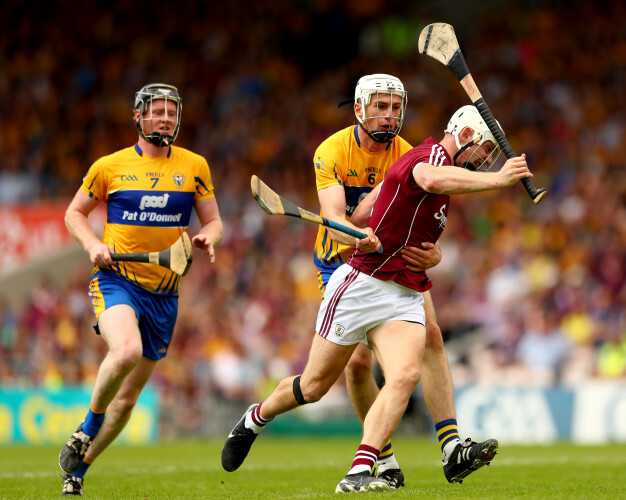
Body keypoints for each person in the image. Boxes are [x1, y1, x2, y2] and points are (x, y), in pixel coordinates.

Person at [222, 103, 532, 493]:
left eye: (491, 160)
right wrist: (499, 181)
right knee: (314, 387)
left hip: (404, 292)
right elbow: (430, 179)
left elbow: (378, 202)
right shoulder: (429, 155)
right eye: (485, 151)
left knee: (404, 374)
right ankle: (256, 417)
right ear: (466, 136)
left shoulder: (438, 174)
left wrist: (400, 237)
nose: (486, 162)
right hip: (362, 284)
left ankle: (361, 470)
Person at [311, 74, 494, 488]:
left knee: (432, 336)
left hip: (391, 260)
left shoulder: (409, 152)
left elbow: (423, 221)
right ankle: (385, 458)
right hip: (341, 259)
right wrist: (361, 235)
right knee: (354, 366)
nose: (389, 114)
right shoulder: (332, 149)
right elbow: (341, 222)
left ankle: (450, 446)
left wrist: (436, 253)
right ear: (359, 108)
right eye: (380, 106)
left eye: (395, 107)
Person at [58, 83, 224, 496]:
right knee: (127, 351)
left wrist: (209, 238)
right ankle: (86, 428)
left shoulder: (195, 165)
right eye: (156, 111)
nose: (165, 118)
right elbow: (74, 213)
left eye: (171, 111)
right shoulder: (109, 166)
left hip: (165, 294)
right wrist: (94, 244)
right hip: (118, 281)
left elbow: (214, 222)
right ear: (138, 116)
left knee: (128, 401)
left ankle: (80, 469)